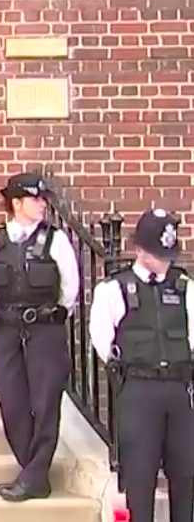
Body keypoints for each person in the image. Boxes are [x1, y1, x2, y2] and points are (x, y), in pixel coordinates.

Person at [89, 209, 194, 522]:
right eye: (158, 254)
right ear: (139, 250)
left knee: (185, 472)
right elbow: (103, 340)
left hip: (179, 388)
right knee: (139, 474)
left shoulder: (184, 287)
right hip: (138, 388)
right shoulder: (114, 289)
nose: (165, 261)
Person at [0, 172, 79, 502]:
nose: (42, 205)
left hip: (45, 329)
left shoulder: (56, 241)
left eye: (43, 199)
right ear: (16, 203)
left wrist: (49, 317)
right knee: (11, 399)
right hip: (5, 329)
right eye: (35, 199)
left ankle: (33, 476)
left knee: (46, 401)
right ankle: (33, 470)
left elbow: (70, 290)